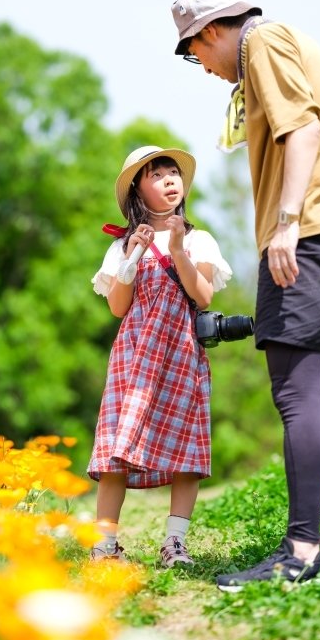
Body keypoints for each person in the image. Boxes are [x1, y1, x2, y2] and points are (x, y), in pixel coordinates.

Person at [170, 0, 320, 590]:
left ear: (212, 31)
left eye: (194, 54)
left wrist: (293, 220)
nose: (203, 67)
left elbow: (303, 131)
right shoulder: (301, 44)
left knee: (297, 395)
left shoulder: (261, 45)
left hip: (309, 243)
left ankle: (299, 551)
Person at [87, 145, 232, 567]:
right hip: (134, 356)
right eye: (157, 175)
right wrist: (133, 253)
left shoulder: (198, 238)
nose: (170, 180)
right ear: (138, 190)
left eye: (173, 172)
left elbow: (202, 296)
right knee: (115, 453)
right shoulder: (121, 245)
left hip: (182, 352)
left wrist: (179, 250)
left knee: (187, 453)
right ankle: (104, 545)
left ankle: (174, 544)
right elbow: (117, 306)